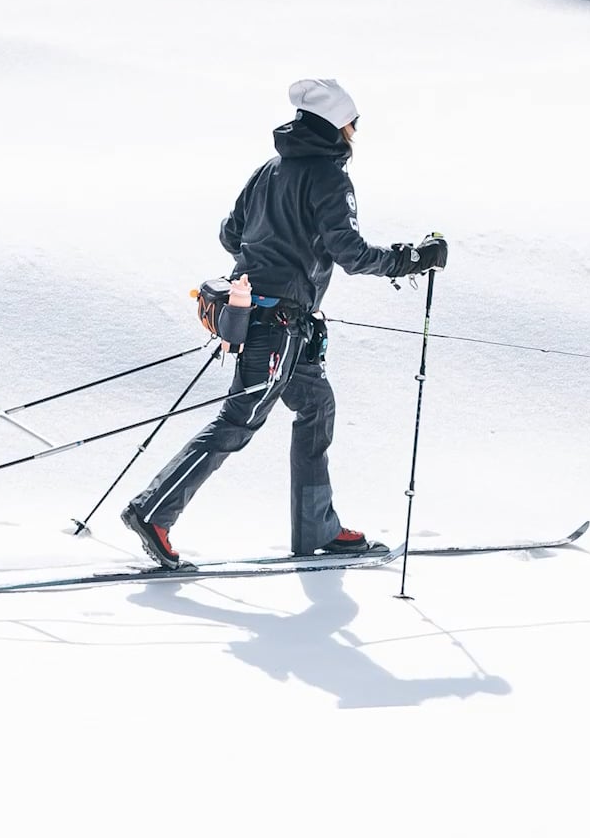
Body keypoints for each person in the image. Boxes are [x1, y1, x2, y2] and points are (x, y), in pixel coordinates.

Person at [121, 78, 448, 569]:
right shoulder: (330, 178)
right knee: (240, 419)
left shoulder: (268, 171)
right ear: (337, 126)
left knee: (316, 405)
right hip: (278, 325)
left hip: (268, 320)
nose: (355, 133)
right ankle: (153, 511)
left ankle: (317, 527)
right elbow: (351, 254)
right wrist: (414, 258)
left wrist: (269, 259)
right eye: (352, 124)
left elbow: (231, 234)